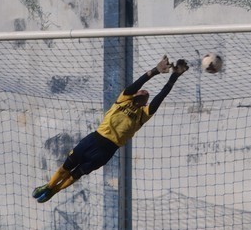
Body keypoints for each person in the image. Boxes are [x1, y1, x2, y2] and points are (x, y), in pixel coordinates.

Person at [32, 55, 189, 203]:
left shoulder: (142, 115)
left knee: (76, 174)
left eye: (146, 94)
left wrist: (174, 76)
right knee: (67, 166)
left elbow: (160, 96)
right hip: (94, 138)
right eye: (141, 91)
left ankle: (54, 191)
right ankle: (49, 186)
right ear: (135, 94)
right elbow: (138, 83)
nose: (143, 91)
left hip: (106, 150)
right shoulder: (124, 99)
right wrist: (155, 70)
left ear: (146, 102)